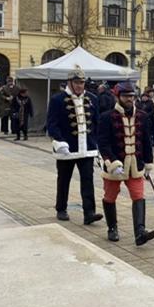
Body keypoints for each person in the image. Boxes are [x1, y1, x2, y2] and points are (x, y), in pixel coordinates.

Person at [97, 81, 154, 245]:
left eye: (132, 96)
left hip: (135, 165)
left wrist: (148, 162)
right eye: (126, 96)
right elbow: (103, 143)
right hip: (115, 164)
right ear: (118, 97)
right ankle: (112, 228)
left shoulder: (143, 116)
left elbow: (146, 141)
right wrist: (111, 162)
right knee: (110, 197)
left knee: (138, 196)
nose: (130, 99)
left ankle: (140, 232)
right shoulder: (106, 117)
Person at [46, 68, 103, 224]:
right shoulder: (57, 99)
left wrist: (98, 143)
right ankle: (61, 208)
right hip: (67, 148)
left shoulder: (92, 98)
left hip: (87, 148)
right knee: (64, 179)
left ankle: (89, 212)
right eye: (76, 82)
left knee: (88, 180)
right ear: (69, 82)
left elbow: (97, 123)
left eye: (82, 83)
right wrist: (58, 141)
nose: (79, 86)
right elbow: (52, 124)